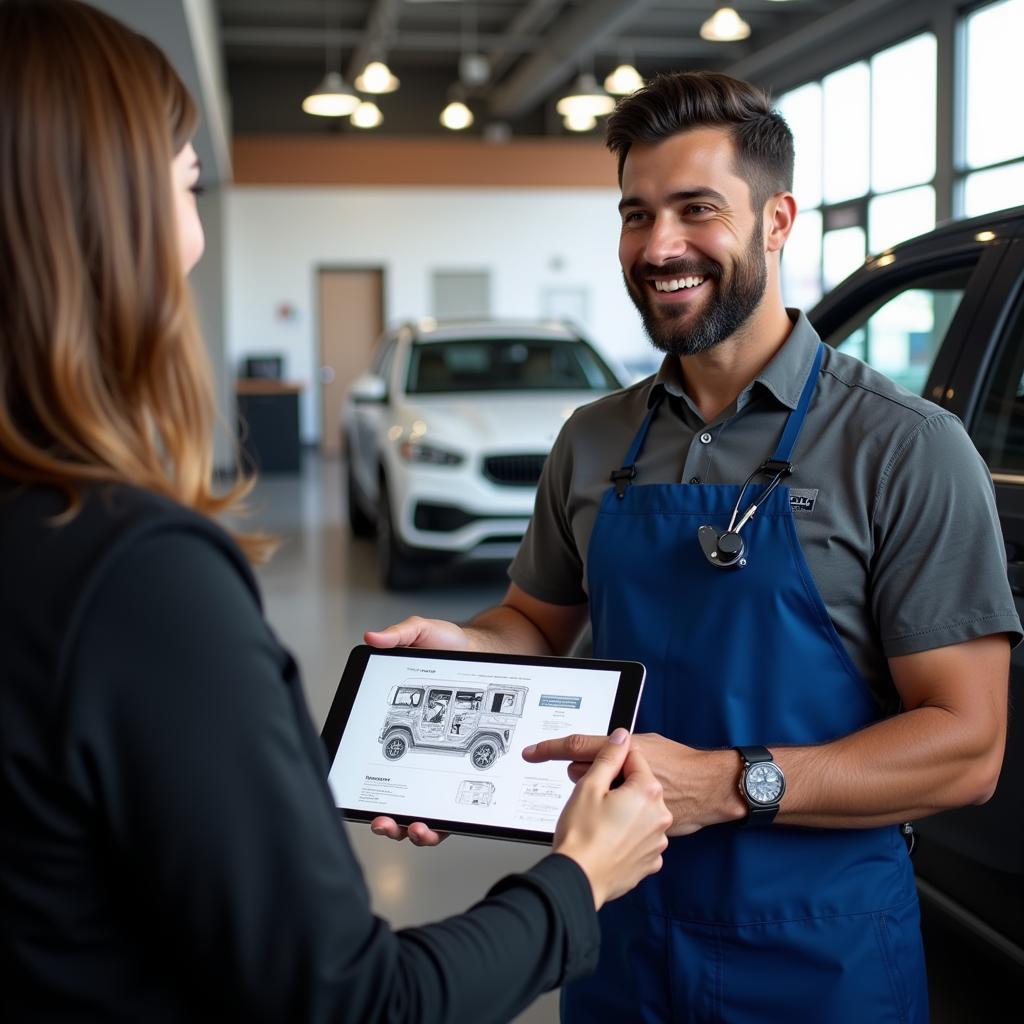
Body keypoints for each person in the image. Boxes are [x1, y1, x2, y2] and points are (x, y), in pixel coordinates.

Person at [0, 2, 673, 1021]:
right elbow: (357, 1004)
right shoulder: (133, 574)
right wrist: (578, 875)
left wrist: (282, 771)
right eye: (188, 186)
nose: (192, 242)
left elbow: (102, 790)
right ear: (103, 217)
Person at [367, 71, 1020, 1023]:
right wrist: (465, 656)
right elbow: (532, 624)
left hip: (817, 952)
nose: (659, 247)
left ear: (778, 219)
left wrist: (723, 783)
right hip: (618, 931)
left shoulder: (905, 448)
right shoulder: (594, 438)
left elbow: (967, 747)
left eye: (696, 209)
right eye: (636, 215)